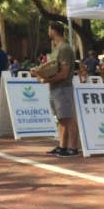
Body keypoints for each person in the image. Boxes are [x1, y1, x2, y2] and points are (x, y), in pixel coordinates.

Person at [34, 22, 81, 157]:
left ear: (53, 31)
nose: (48, 32)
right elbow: (53, 69)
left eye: (49, 29)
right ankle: (62, 146)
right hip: (55, 88)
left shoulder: (64, 48)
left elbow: (64, 73)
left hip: (63, 88)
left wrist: (45, 80)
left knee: (68, 118)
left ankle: (73, 148)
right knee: (61, 119)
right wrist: (39, 72)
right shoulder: (56, 48)